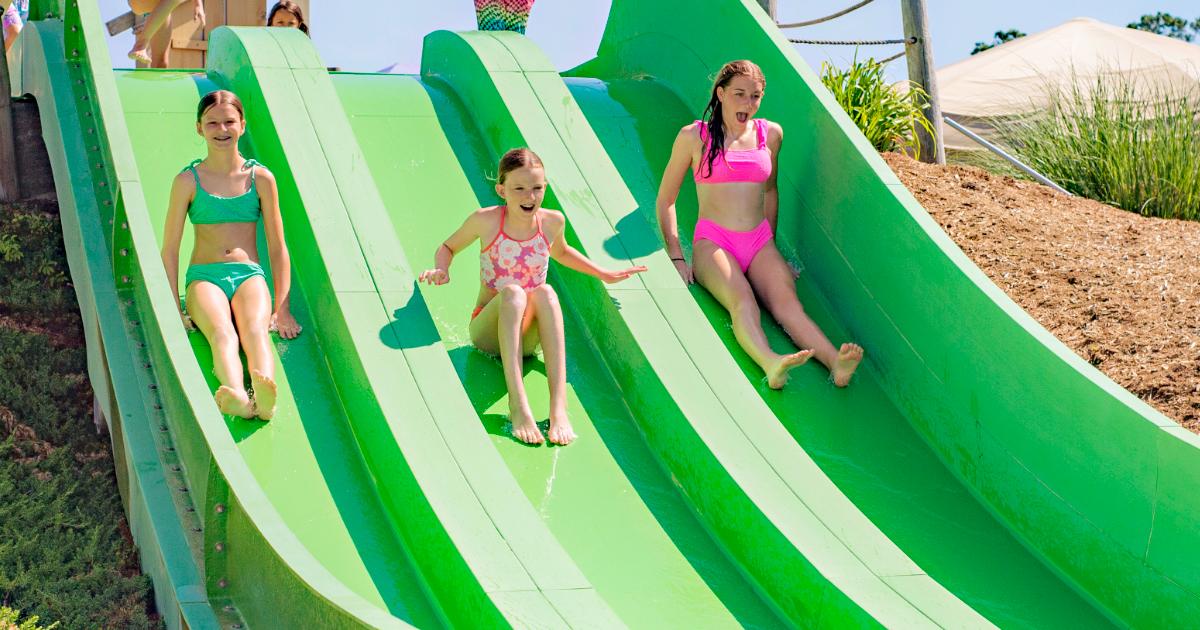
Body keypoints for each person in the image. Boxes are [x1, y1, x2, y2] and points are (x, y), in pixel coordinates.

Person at [656, 60, 864, 389]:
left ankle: (834, 362)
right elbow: (666, 199)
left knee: (787, 303)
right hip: (714, 242)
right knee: (743, 301)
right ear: (721, 94)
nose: (747, 104)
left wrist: (771, 249)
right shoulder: (694, 137)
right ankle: (770, 361)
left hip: (758, 242)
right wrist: (677, 255)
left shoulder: (771, 134)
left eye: (755, 96)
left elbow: (770, 191)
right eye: (739, 94)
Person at [420, 148, 645, 445]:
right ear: (502, 190)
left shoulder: (552, 222)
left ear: (545, 187)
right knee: (514, 293)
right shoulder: (486, 220)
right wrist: (441, 268)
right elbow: (447, 247)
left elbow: (562, 252)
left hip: (527, 340)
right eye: (519, 189)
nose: (530, 196)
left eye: (537, 188)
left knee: (546, 292)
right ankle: (519, 405)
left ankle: (558, 408)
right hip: (488, 332)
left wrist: (602, 273)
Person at [160, 90, 301, 420]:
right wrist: (172, 308)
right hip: (204, 277)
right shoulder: (187, 181)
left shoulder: (261, 178)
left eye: (229, 121)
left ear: (242, 125)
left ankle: (265, 398)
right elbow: (169, 249)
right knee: (222, 333)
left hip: (249, 274)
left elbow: (278, 246)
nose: (221, 129)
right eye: (212, 123)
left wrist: (284, 308)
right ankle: (237, 392)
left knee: (255, 329)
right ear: (199, 128)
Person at [127, 0, 204, 67]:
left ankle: (156, 83)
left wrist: (198, 4)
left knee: (161, 63)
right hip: (139, 2)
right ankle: (140, 45)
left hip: (160, 6)